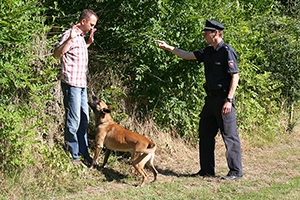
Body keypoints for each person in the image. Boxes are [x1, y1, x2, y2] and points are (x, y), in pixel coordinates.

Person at [155, 19, 243, 180]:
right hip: (210, 100)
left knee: (229, 136)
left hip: (224, 99)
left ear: (215, 33)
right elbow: (188, 55)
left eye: (206, 33)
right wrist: (168, 47)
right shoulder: (208, 51)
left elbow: (235, 76)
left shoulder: (227, 51)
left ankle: (236, 172)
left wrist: (229, 100)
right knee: (205, 134)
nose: (204, 36)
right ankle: (207, 170)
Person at [53, 9, 98, 166]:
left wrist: (88, 44)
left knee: (84, 121)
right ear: (83, 22)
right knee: (74, 122)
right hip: (72, 85)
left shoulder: (81, 37)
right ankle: (73, 157)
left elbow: (77, 53)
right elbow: (57, 54)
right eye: (91, 24)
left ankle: (83, 153)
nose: (93, 27)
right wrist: (69, 40)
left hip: (81, 85)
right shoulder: (70, 34)